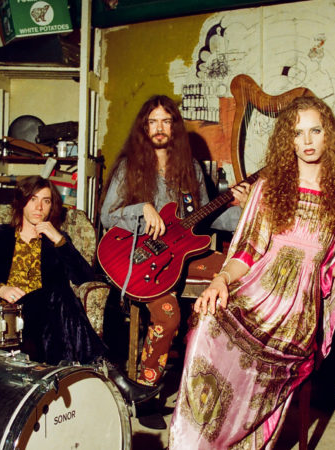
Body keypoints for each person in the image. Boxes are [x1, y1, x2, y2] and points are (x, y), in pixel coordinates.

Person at [168, 94, 335, 448]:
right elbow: (247, 251)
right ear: (287, 140)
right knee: (207, 323)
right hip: (255, 293)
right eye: (297, 133)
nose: (307, 140)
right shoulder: (269, 187)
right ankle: (194, 441)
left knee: (260, 367)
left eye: (315, 131)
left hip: (296, 313)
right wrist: (221, 280)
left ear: (329, 135)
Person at [0, 175, 160, 404]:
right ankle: (110, 375)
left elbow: (84, 278)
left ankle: (76, 380)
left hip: (48, 317)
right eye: (33, 199)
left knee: (59, 295)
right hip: (9, 315)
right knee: (59, 294)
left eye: (46, 201)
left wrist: (59, 240)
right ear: (22, 202)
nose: (39, 207)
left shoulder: (56, 240)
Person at [99, 94, 249, 391]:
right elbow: (107, 216)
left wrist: (245, 209)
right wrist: (141, 209)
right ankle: (144, 388)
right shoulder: (128, 167)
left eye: (166, 122)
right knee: (168, 318)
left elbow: (204, 217)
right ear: (144, 127)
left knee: (239, 277)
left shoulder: (191, 168)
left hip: (181, 253)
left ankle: (212, 374)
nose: (159, 128)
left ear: (174, 127)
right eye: (152, 122)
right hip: (141, 259)